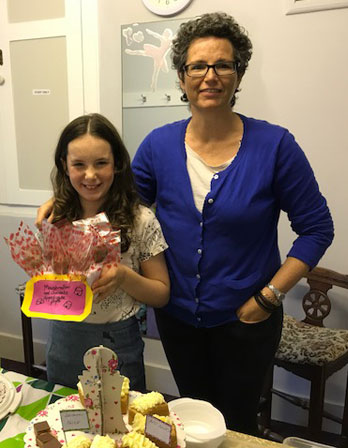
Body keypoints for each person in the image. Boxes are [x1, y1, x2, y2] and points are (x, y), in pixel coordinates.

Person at [37, 13, 334, 436]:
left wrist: (268, 297)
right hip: (179, 324)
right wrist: (60, 198)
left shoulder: (275, 146)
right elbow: (116, 197)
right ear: (181, 76)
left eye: (222, 65)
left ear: (238, 73)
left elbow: (318, 228)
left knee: (236, 426)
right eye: (198, 66)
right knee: (193, 419)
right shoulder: (159, 145)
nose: (210, 76)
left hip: (245, 322)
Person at [42, 113, 170, 392]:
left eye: (101, 163)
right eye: (79, 164)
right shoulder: (56, 217)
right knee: (65, 422)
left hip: (117, 341)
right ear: (65, 166)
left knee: (120, 426)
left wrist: (124, 276)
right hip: (63, 340)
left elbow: (161, 293)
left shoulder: (140, 220)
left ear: (118, 164)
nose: (90, 175)